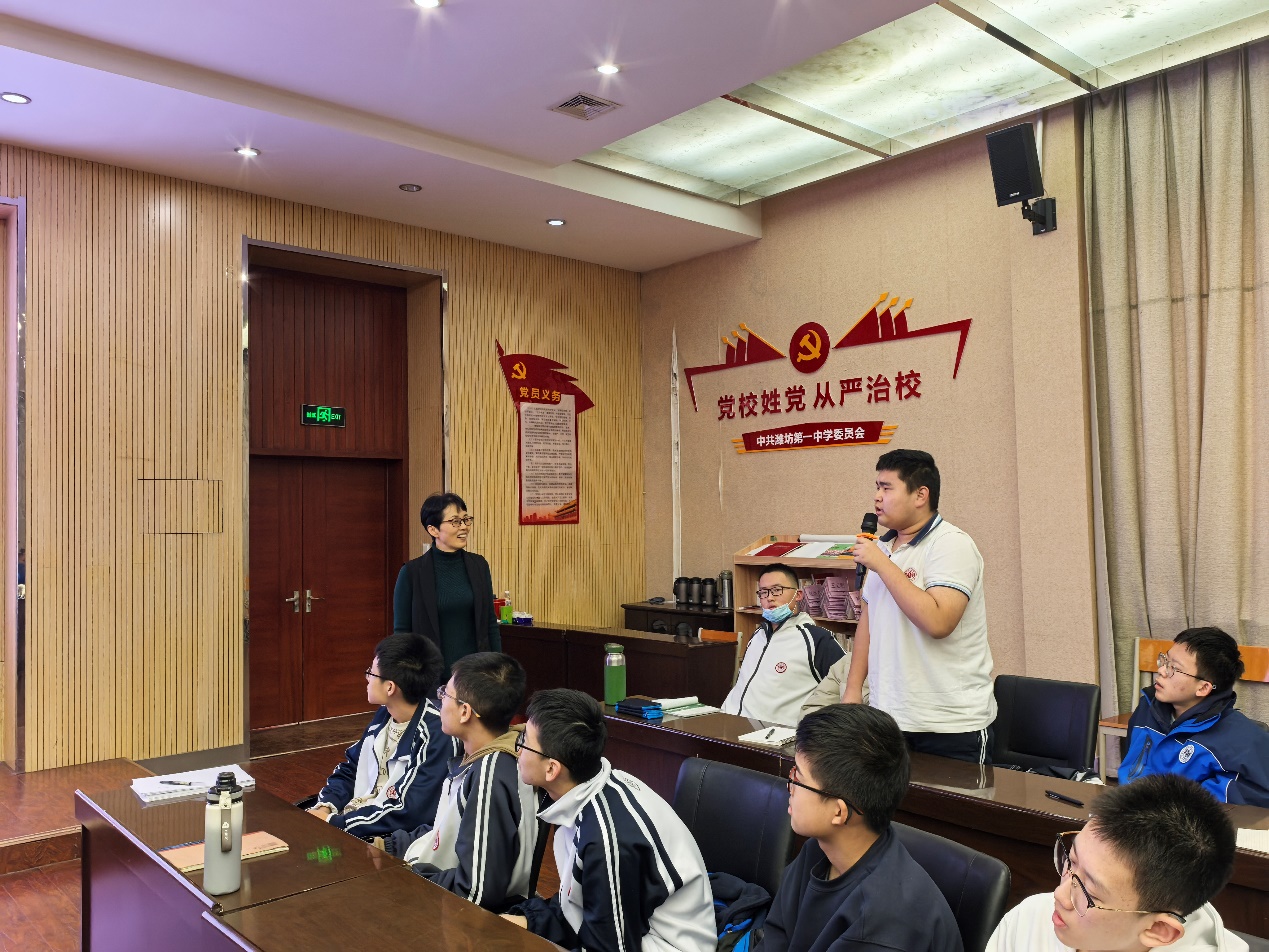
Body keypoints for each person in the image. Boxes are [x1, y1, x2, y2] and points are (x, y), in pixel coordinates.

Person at [503, 689, 716, 952]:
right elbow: (579, 904)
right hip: (633, 930)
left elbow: (609, 946)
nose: (518, 749)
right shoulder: (596, 785)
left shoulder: (605, 838)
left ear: (551, 768)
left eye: (524, 741)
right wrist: (524, 921)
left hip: (664, 944)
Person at [760, 704, 963, 952]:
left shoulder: (885, 922)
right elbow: (775, 938)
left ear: (839, 812)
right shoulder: (817, 852)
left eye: (798, 778)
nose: (789, 786)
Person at [843, 449, 996, 764]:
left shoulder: (951, 544)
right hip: (888, 718)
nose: (877, 497)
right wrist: (853, 690)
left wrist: (882, 565)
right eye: (877, 487)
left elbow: (939, 622)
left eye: (887, 488)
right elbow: (868, 625)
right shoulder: (883, 547)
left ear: (920, 495)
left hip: (950, 725)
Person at [985, 774, 1246, 952]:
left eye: (1088, 892)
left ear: (1158, 929)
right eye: (1071, 861)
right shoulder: (1030, 919)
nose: (1059, 895)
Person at [380, 652, 540, 912]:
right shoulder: (490, 755)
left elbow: (475, 891)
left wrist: (408, 876)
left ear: (465, 711)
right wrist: (389, 846)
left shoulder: (490, 773)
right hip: (443, 892)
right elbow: (447, 830)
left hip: (460, 914)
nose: (440, 701)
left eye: (445, 694)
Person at [308, 633, 458, 838]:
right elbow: (351, 768)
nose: (367, 678)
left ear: (390, 687)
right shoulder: (385, 715)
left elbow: (408, 812)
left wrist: (334, 823)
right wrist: (326, 807)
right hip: (354, 822)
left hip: (386, 839)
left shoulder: (436, 734)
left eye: (371, 672)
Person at [1120, 627, 1269, 806]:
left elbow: (1252, 801)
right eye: (1165, 660)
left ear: (1203, 688)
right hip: (1128, 811)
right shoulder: (1147, 707)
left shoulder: (1241, 740)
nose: (1161, 670)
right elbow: (1130, 770)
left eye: (1174, 668)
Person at [723, 564, 845, 726]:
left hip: (774, 734)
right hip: (729, 722)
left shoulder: (817, 639)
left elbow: (847, 686)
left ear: (798, 595)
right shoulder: (758, 634)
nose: (769, 598)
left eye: (777, 590)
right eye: (763, 592)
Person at [393, 491, 501, 672]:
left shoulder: (479, 565)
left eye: (466, 519)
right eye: (455, 522)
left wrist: (499, 667)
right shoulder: (411, 573)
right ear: (433, 530)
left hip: (475, 674)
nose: (464, 527)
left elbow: (490, 623)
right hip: (430, 674)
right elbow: (402, 633)